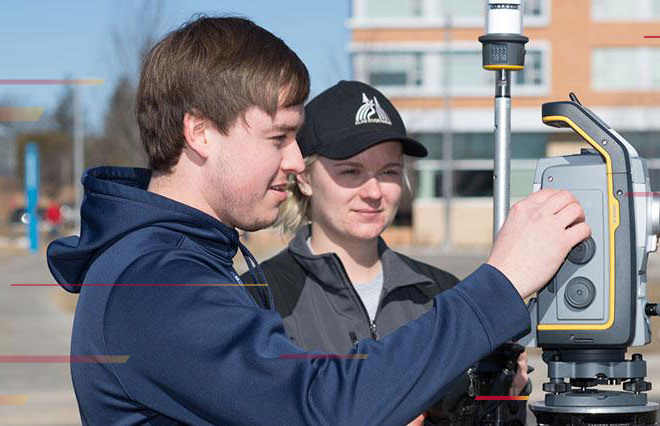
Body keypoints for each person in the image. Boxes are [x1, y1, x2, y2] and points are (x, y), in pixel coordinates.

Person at [46, 16, 590, 426]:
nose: (292, 159)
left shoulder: (186, 261)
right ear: (200, 132)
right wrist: (501, 283)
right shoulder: (157, 280)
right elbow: (321, 405)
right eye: (279, 137)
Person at [245, 80, 529, 425]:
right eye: (351, 171)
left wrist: (504, 398)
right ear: (304, 178)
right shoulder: (258, 300)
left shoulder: (445, 292)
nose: (374, 191)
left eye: (389, 172)